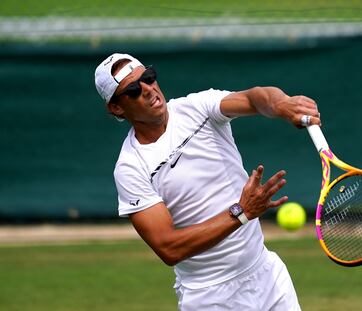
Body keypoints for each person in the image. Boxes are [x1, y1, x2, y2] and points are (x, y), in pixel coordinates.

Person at [94, 53, 320, 311]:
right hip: (210, 297)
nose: (148, 89)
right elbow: (169, 247)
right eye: (133, 90)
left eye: (148, 77)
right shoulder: (130, 168)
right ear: (116, 107)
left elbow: (254, 97)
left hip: (267, 275)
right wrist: (241, 212)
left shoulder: (197, 107)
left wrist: (282, 104)